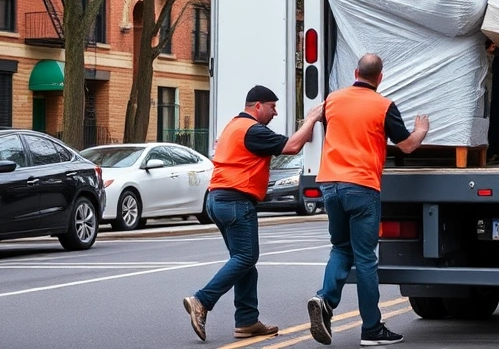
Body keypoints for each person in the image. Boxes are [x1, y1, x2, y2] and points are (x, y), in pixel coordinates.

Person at [184, 85, 324, 341]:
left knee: (245, 263)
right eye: (272, 107)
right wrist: (313, 119)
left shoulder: (233, 126)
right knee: (246, 257)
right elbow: (292, 147)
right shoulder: (254, 130)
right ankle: (202, 301)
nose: (275, 112)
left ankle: (247, 321)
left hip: (218, 199)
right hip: (236, 201)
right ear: (258, 106)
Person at [307, 53, 429, 346]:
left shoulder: (333, 100)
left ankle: (324, 299)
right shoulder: (383, 106)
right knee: (365, 260)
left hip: (330, 184)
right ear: (380, 77)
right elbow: (408, 146)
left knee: (340, 247)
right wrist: (421, 129)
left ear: (355, 72)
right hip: (361, 186)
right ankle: (371, 329)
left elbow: (319, 118)